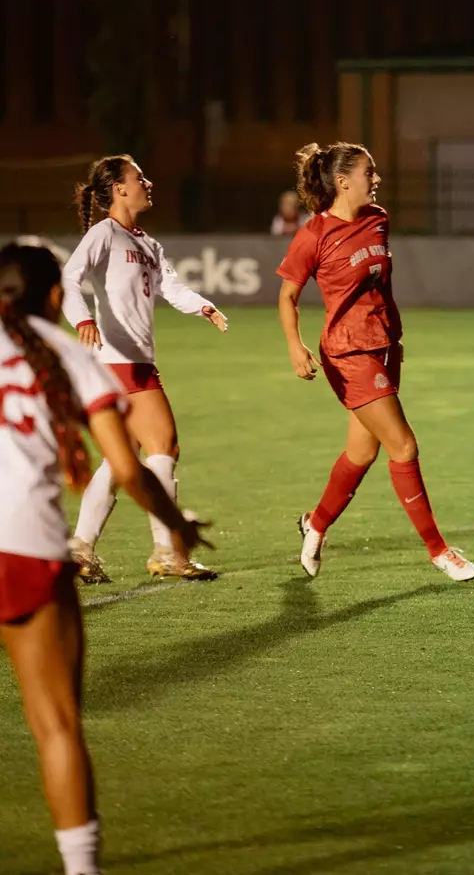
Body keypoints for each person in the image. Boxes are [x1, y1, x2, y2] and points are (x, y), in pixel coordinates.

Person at [0, 241, 212, 875]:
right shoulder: (69, 353)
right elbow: (127, 466)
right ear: (56, 297)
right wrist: (176, 526)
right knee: (57, 727)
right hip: (26, 550)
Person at [276, 141, 474, 582]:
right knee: (403, 446)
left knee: (362, 451)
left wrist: (392, 338)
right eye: (369, 172)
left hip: (385, 347)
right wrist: (295, 345)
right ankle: (439, 551)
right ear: (343, 181)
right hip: (348, 353)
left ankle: (316, 524)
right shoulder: (313, 235)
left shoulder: (378, 219)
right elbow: (288, 295)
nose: (377, 179)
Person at [61, 154, 227, 583]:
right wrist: (82, 319)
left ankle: (80, 548)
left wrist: (203, 306)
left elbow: (172, 287)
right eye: (139, 177)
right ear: (119, 189)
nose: (148, 182)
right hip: (120, 362)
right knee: (163, 445)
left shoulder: (147, 243)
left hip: (131, 362)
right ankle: (168, 551)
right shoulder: (104, 233)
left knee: (121, 460)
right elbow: (69, 278)